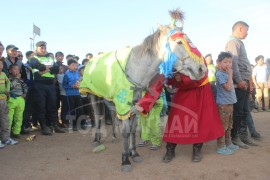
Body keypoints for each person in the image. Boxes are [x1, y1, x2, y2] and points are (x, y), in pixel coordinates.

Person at [225, 21, 258, 148]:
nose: (247, 33)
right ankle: (235, 137)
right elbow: (233, 63)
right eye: (246, 30)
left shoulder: (238, 42)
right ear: (240, 28)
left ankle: (244, 136)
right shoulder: (233, 42)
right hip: (240, 81)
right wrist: (238, 80)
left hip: (244, 80)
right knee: (238, 111)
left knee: (244, 110)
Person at [29, 41, 65, 135]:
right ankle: (44, 127)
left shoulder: (50, 57)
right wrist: (49, 68)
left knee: (52, 106)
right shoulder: (33, 58)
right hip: (39, 84)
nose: (43, 49)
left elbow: (56, 69)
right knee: (41, 106)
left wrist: (44, 69)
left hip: (50, 85)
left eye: (44, 47)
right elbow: (38, 69)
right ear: (37, 48)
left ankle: (55, 125)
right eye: (41, 47)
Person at [215, 52, 239, 155]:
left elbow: (231, 86)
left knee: (229, 125)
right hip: (223, 105)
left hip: (230, 103)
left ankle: (228, 143)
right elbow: (228, 87)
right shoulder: (220, 74)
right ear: (219, 63)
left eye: (230, 62)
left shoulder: (226, 74)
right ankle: (221, 146)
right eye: (225, 62)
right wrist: (230, 75)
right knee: (223, 126)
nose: (228, 64)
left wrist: (237, 85)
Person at [0, 58, 18, 146]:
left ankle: (5, 139)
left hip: (3, 100)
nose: (0, 66)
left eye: (1, 64)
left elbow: (8, 84)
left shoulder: (3, 74)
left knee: (5, 120)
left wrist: (7, 91)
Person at [62, 59, 84, 131]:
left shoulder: (78, 73)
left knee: (80, 109)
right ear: (68, 66)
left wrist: (79, 85)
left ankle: (80, 124)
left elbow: (81, 82)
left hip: (77, 94)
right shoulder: (66, 74)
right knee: (72, 110)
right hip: (70, 95)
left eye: (76, 65)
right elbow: (64, 85)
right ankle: (73, 125)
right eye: (73, 65)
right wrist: (72, 86)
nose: (75, 66)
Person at [7, 64, 27, 139]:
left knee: (19, 117)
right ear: (10, 71)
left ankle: (16, 132)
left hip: (20, 99)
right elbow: (10, 87)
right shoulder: (8, 79)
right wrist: (17, 79)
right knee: (9, 117)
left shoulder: (21, 79)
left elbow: (25, 87)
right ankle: (7, 134)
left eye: (18, 69)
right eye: (14, 69)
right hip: (11, 99)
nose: (17, 71)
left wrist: (24, 94)